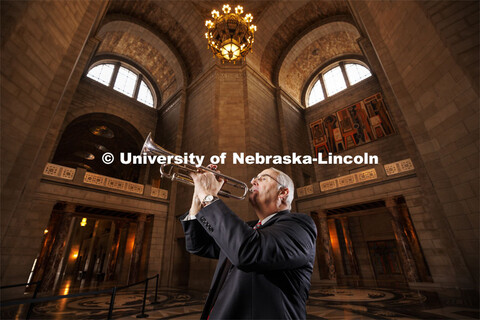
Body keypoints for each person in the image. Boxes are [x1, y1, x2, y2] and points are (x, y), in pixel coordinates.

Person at [180, 166, 317, 319]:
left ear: (283, 192)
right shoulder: (249, 228)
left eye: (263, 178)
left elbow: (249, 252)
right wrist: (198, 195)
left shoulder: (299, 226)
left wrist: (208, 196)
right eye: (255, 178)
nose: (253, 181)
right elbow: (198, 245)